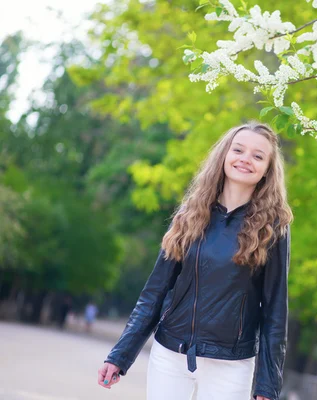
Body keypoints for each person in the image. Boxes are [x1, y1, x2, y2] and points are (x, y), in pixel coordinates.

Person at [97, 121, 293, 400]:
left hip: (231, 365)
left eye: (258, 156)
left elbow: (275, 311)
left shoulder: (274, 227)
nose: (245, 159)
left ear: (267, 170)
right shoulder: (190, 214)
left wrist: (267, 386)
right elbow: (155, 292)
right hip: (170, 355)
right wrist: (121, 355)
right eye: (238, 150)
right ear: (224, 155)